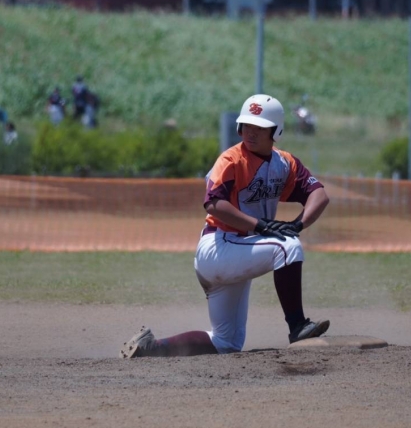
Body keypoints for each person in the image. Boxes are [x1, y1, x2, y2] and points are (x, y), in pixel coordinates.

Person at [120, 94, 330, 358]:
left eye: (259, 127)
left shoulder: (284, 163)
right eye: (247, 125)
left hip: (239, 250)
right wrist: (261, 226)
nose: (250, 132)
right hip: (218, 248)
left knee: (226, 342)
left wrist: (298, 224)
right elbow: (213, 204)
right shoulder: (231, 159)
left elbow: (319, 194)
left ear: (276, 131)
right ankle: (298, 326)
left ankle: (152, 348)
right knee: (287, 247)